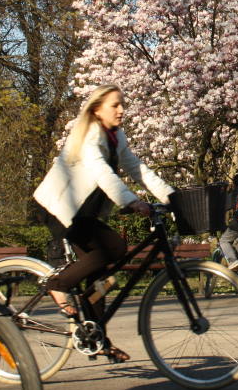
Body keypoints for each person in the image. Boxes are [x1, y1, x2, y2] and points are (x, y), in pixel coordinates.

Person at [33, 84, 174, 361]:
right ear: (97, 109)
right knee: (114, 249)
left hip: (85, 213)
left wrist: (171, 196)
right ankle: (56, 284)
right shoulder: (88, 135)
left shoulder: (115, 137)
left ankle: (98, 338)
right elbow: (101, 172)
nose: (122, 110)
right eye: (115, 105)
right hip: (63, 210)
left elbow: (136, 168)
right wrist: (131, 201)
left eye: (123, 104)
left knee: (98, 279)